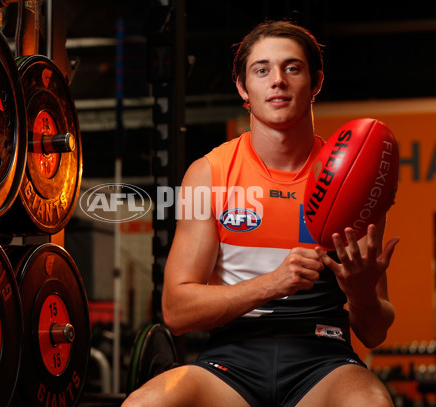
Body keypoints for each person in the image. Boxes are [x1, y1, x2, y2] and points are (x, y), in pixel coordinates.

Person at [123, 19, 399, 407]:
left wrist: (361, 293)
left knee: (370, 404)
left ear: (315, 82)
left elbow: (374, 333)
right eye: (262, 69)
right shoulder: (210, 173)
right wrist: (273, 283)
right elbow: (176, 311)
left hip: (325, 360)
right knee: (144, 404)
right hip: (231, 362)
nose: (278, 80)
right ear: (243, 88)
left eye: (292, 68)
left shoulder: (353, 177)